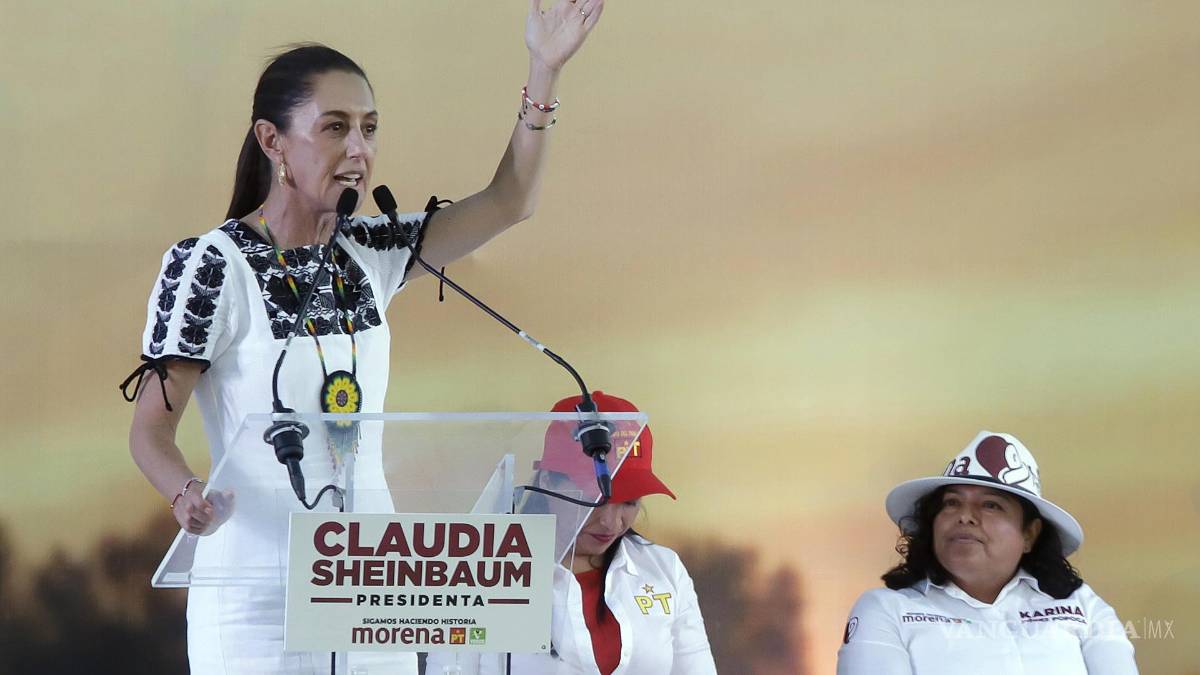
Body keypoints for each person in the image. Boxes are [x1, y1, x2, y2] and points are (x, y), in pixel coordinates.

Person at [121, 3, 605, 673]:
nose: (359, 149)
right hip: (256, 594)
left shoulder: (371, 249)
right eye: (335, 128)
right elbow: (149, 431)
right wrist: (186, 495)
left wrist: (543, 71)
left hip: (371, 586)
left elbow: (510, 200)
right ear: (272, 140)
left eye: (369, 128)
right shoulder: (210, 264)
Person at [427, 391, 717, 674]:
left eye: (629, 502)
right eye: (595, 499)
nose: (611, 522)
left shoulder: (664, 568)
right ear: (546, 480)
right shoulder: (480, 570)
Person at [837, 431, 1139, 675]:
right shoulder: (886, 609)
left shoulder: (1084, 606)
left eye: (991, 505)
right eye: (951, 503)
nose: (965, 516)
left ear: (1029, 534)